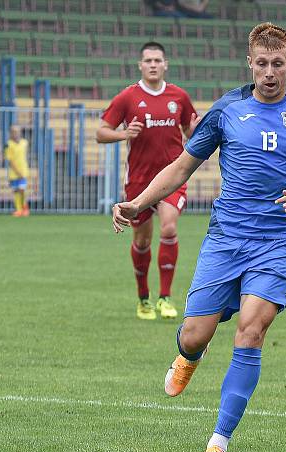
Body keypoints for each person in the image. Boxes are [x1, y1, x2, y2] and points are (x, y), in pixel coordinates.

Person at [112, 23, 286, 452]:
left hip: (279, 241)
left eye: (278, 64)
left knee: (251, 331)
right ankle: (188, 355)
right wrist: (137, 202)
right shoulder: (226, 110)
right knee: (195, 334)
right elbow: (181, 168)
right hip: (226, 239)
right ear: (250, 63)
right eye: (262, 63)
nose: (270, 72)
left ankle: (217, 445)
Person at [97, 41, 199, 321]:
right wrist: (124, 134)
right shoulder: (128, 97)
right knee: (142, 241)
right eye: (148, 60)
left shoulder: (179, 96)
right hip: (139, 182)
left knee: (168, 228)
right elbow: (101, 132)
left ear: (165, 64)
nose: (153, 64)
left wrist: (201, 134)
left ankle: (165, 298)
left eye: (157, 60)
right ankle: (143, 298)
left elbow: (192, 131)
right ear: (140, 65)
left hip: (172, 179)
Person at [4, 125, 30, 217]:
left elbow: (24, 156)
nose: (15, 133)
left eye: (17, 131)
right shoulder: (8, 144)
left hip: (23, 170)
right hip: (13, 171)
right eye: (13, 131)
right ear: (11, 133)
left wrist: (23, 169)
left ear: (20, 132)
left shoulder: (24, 142)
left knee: (22, 189)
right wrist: (17, 171)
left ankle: (25, 208)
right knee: (16, 191)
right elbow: (9, 160)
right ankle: (19, 210)